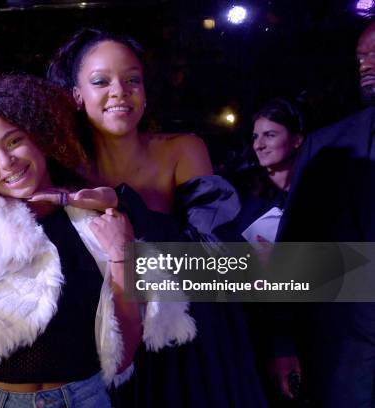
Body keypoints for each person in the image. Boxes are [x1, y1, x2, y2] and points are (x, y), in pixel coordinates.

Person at [0, 73, 194, 408]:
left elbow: (123, 352)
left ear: (40, 138)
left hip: (89, 398)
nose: (6, 162)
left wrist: (123, 258)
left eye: (13, 141)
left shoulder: (95, 222)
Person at [48, 28, 266, 407]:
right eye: (101, 81)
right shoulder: (65, 174)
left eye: (133, 79)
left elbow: (214, 256)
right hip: (114, 343)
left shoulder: (182, 149)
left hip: (193, 338)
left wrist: (122, 208)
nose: (120, 91)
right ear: (76, 96)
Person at [269, 20, 375, 407]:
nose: (366, 64)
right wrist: (282, 342)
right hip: (347, 355)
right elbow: (293, 250)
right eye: (361, 56)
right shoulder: (327, 146)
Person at [233, 98, 305, 245]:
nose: (258, 145)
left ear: (296, 140)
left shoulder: (317, 193)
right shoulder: (243, 194)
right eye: (255, 137)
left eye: (270, 135)